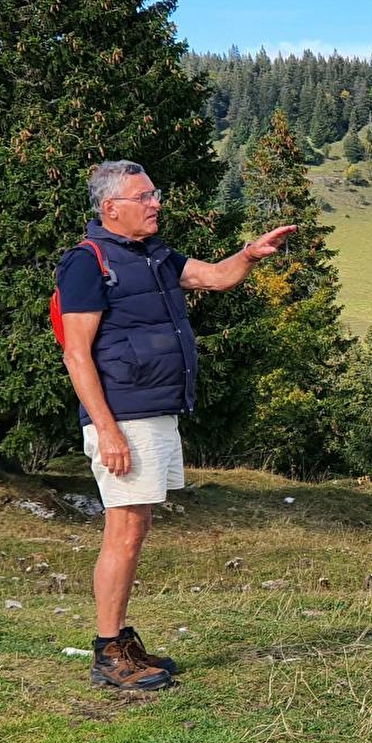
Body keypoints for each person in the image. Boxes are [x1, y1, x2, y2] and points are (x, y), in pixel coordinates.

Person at [56, 160, 295, 689]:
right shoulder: (86, 263)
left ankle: (121, 642)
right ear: (110, 208)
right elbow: (76, 354)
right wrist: (108, 430)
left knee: (136, 526)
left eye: (154, 194)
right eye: (143, 197)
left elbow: (214, 277)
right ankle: (108, 655)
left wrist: (249, 254)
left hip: (153, 411)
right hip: (124, 415)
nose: (155, 203)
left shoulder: (154, 255)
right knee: (123, 530)